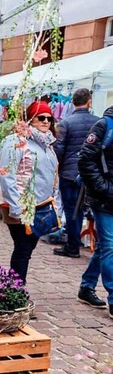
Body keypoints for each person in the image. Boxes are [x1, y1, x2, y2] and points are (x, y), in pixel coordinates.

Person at [0, 100, 58, 283]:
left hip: (40, 205)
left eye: (49, 118)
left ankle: (13, 290)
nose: (46, 121)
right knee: (23, 250)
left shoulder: (47, 144)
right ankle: (15, 293)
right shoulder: (16, 141)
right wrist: (16, 207)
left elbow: (51, 174)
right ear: (31, 118)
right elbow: (7, 175)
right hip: (21, 205)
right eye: (41, 117)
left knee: (26, 250)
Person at [53, 88, 99, 258]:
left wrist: (58, 168)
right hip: (89, 174)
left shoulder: (65, 123)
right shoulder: (97, 122)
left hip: (69, 173)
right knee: (87, 209)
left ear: (72, 103)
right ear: (89, 102)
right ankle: (82, 243)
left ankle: (72, 246)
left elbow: (59, 149)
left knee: (72, 209)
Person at [77, 105, 113, 314]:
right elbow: (85, 158)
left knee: (105, 247)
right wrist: (103, 187)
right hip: (105, 199)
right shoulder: (104, 125)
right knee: (109, 245)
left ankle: (86, 286)